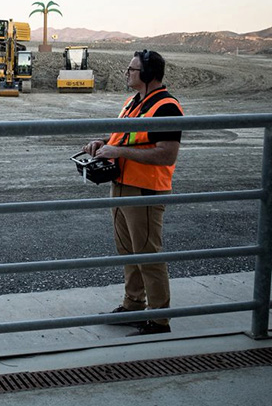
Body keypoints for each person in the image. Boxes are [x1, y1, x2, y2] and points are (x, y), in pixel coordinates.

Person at [83, 49, 184, 336]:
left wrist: (118, 151)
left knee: (148, 254)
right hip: (123, 184)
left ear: (149, 75)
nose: (127, 73)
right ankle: (133, 305)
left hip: (146, 190)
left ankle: (159, 319)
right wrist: (101, 143)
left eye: (132, 70)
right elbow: (123, 138)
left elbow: (166, 155)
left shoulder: (167, 107)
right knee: (128, 251)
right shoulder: (133, 102)